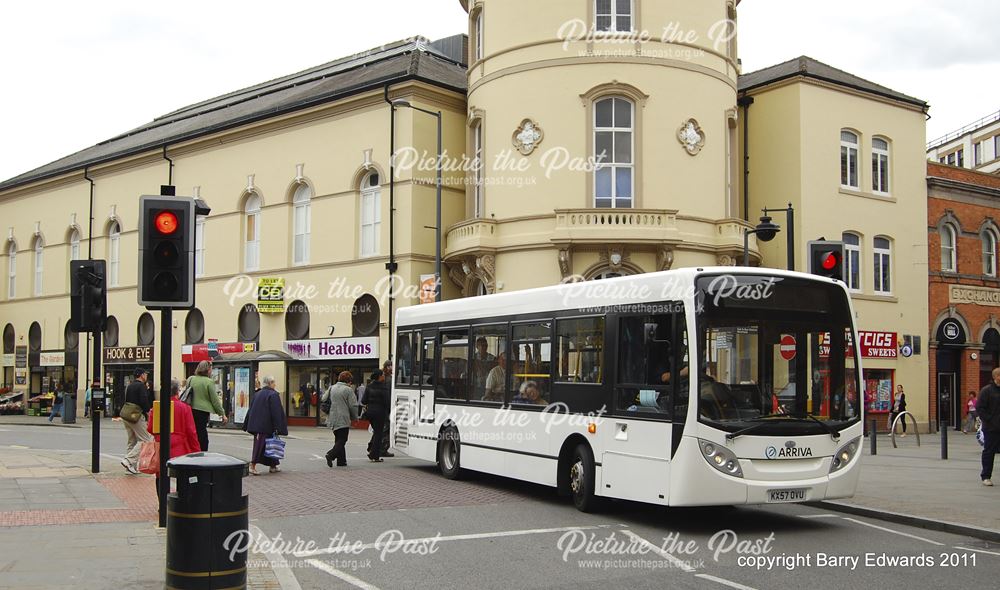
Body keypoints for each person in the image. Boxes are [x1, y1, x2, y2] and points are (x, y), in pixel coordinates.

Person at [147, 378, 199, 500]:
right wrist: (196, 450)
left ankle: (163, 503)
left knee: (161, 476)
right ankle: (180, 502)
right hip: (181, 448)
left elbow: (150, 428)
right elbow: (192, 432)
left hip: (162, 446)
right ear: (177, 392)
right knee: (181, 475)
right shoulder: (185, 408)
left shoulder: (157, 407)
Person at [243, 375, 288, 475]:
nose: (275, 384)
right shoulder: (273, 395)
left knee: (270, 444)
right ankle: (252, 465)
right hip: (266, 425)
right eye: (274, 382)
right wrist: (278, 426)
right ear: (270, 383)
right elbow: (276, 412)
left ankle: (273, 465)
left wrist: (246, 424)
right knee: (262, 445)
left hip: (259, 425)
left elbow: (251, 409)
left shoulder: (258, 394)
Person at [188, 360, 227, 451]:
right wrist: (222, 414)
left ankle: (192, 450)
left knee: (193, 431)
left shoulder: (191, 379)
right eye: (211, 369)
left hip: (190, 409)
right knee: (202, 434)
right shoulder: (209, 382)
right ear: (208, 370)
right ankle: (202, 452)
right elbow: (215, 400)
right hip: (203, 411)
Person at [121, 369, 154, 474]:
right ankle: (129, 460)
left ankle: (130, 467)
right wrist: (148, 412)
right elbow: (144, 401)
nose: (146, 376)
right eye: (145, 374)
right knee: (145, 440)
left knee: (132, 440)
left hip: (126, 415)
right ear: (141, 375)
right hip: (136, 415)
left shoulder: (130, 386)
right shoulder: (141, 386)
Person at [323, 371, 359, 468]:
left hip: (332, 417)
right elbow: (353, 406)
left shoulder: (332, 388)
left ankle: (341, 461)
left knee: (338, 438)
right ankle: (330, 455)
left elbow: (323, 398)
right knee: (343, 439)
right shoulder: (348, 390)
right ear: (349, 380)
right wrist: (355, 417)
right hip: (343, 417)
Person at [977, 368, 1000, 486]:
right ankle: (986, 476)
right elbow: (980, 408)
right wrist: (990, 420)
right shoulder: (987, 391)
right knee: (989, 452)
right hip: (991, 428)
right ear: (996, 377)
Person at [363, 370, 390, 462]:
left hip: (370, 413)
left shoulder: (369, 386)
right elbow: (387, 402)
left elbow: (363, 401)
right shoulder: (384, 387)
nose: (384, 376)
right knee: (379, 434)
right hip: (380, 413)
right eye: (383, 375)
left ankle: (371, 450)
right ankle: (374, 455)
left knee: (376, 432)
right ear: (379, 376)